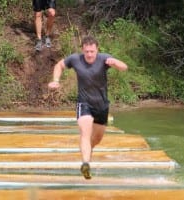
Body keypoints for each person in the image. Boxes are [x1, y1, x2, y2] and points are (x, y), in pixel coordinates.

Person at [48, 36, 128, 179]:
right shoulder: (75, 59)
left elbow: (124, 67)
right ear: (82, 50)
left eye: (92, 51)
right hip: (84, 103)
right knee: (85, 133)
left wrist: (115, 63)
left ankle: (88, 156)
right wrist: (55, 80)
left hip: (102, 105)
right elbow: (59, 66)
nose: (89, 55)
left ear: (97, 50)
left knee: (96, 139)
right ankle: (85, 163)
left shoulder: (104, 58)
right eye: (87, 52)